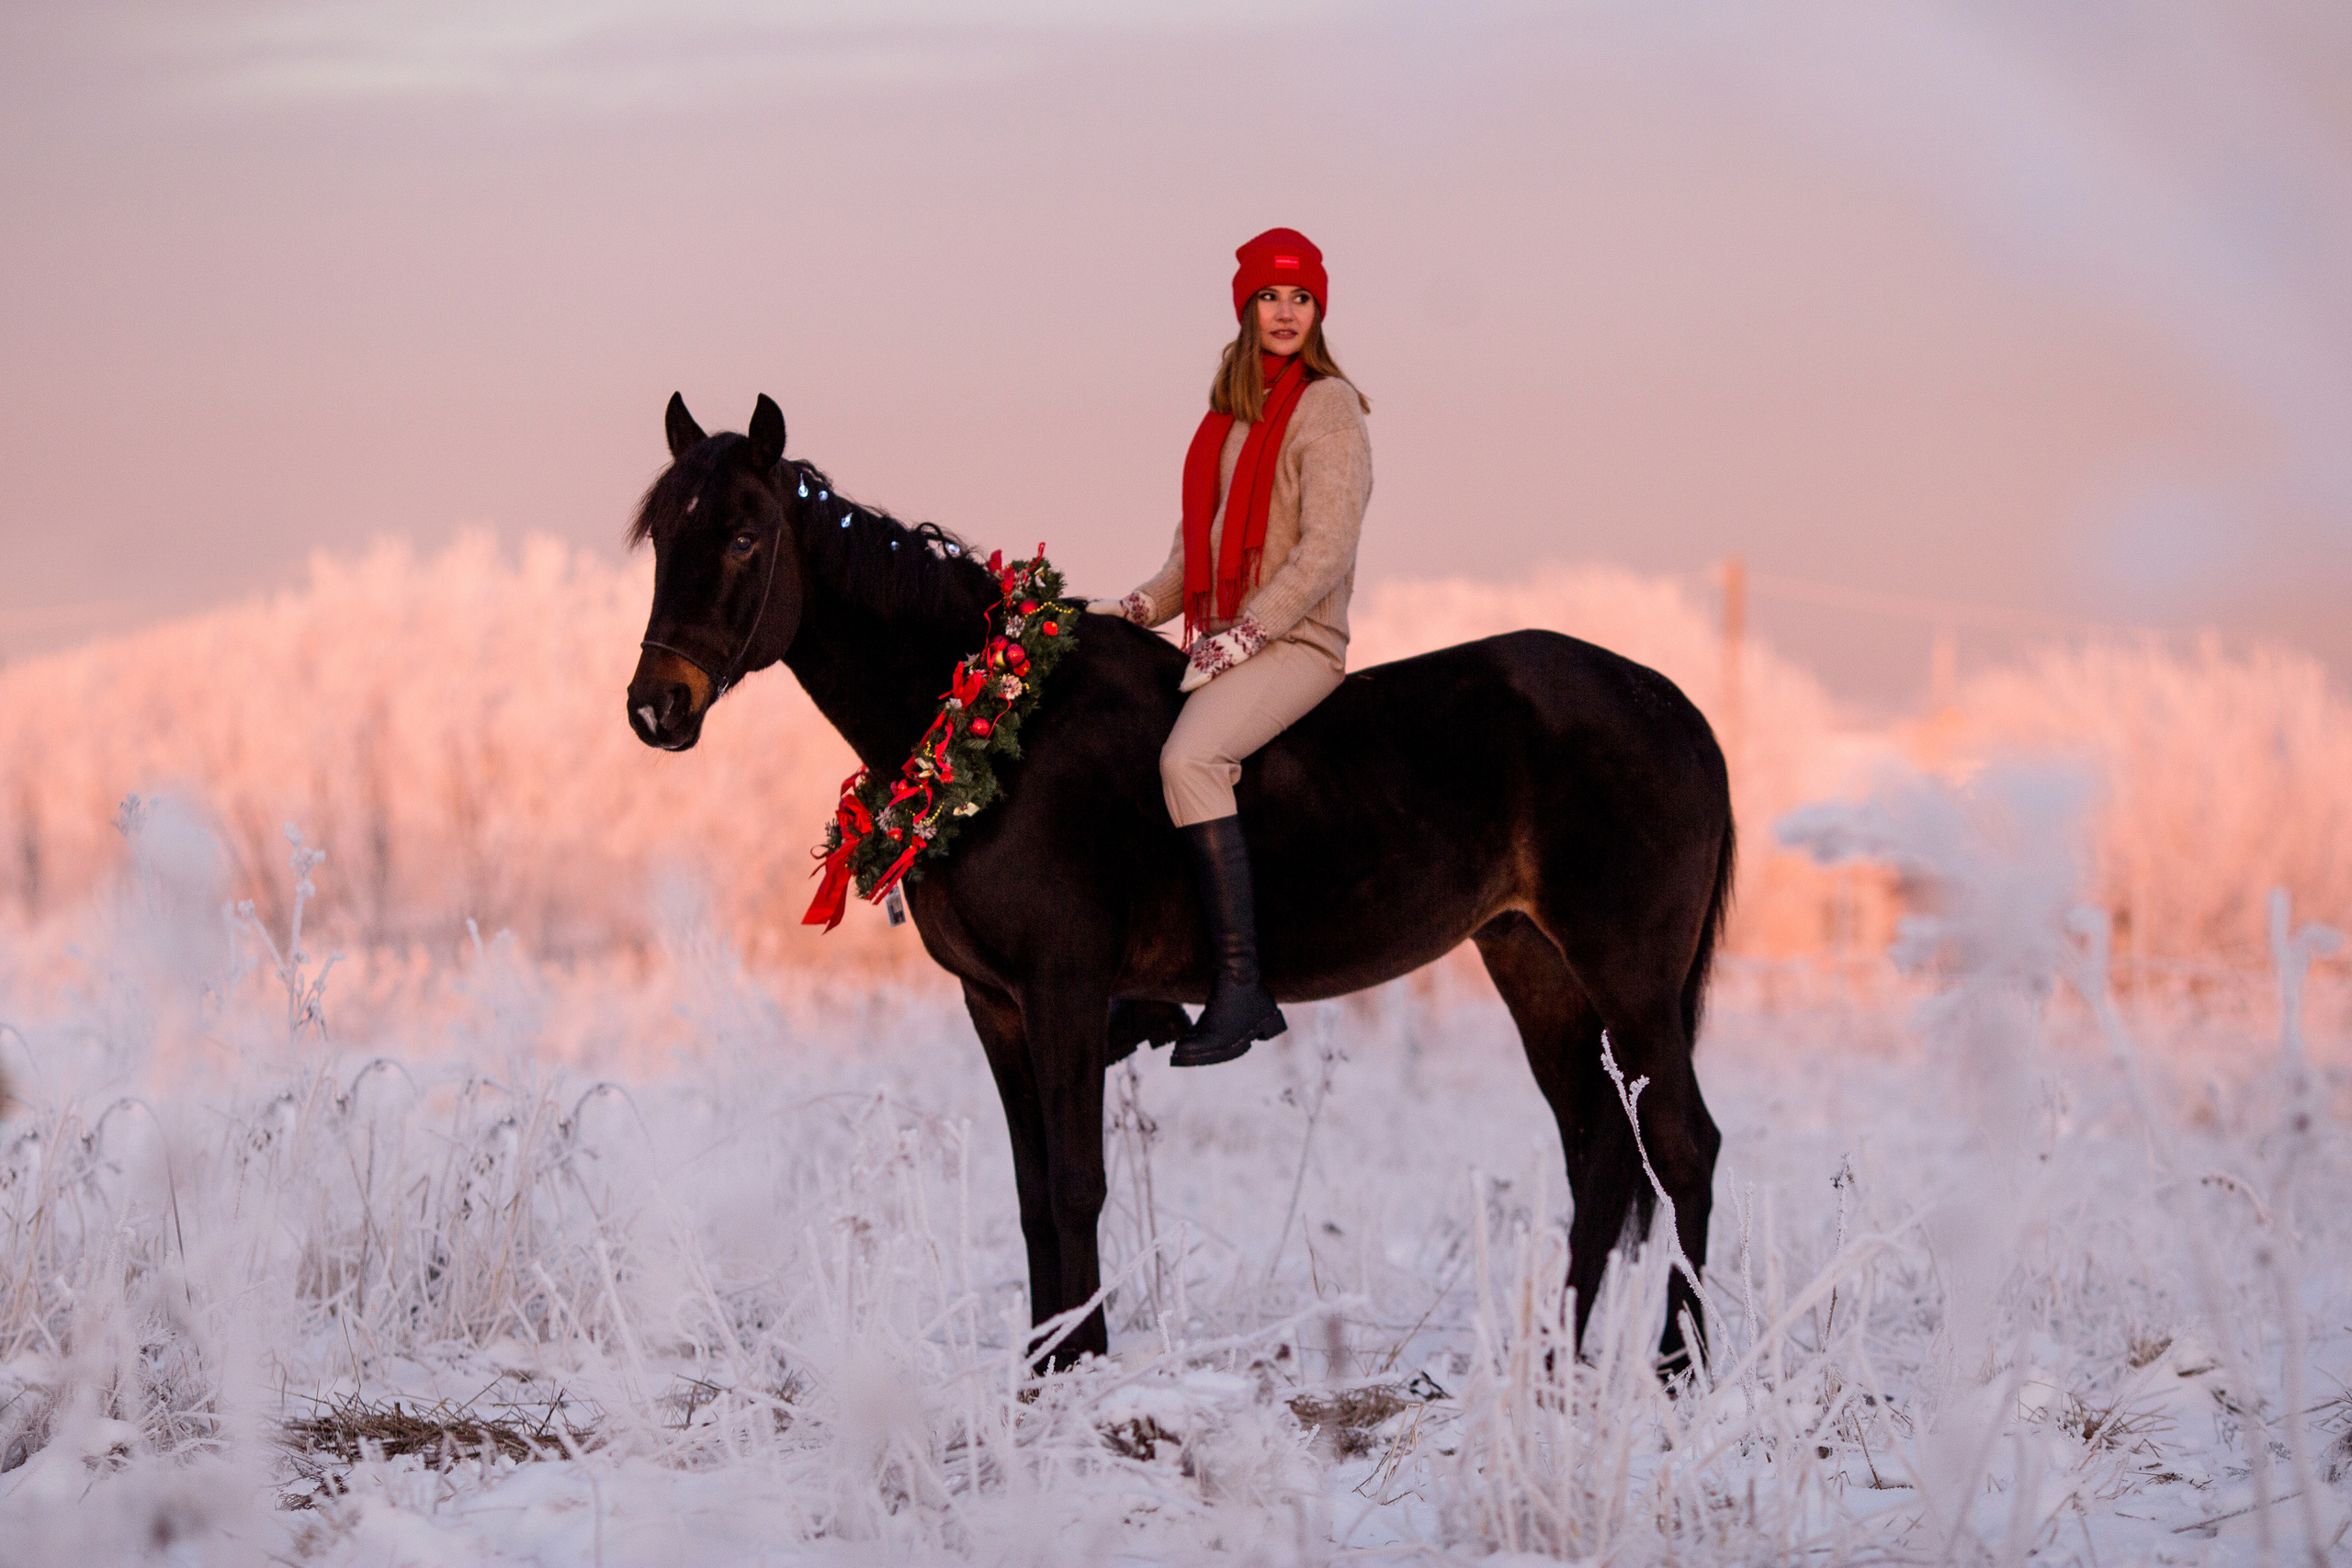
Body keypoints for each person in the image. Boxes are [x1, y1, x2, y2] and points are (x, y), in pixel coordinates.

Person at [1090, 227, 1374, 1067]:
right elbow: (1195, 560)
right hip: (1224, 639)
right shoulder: (1228, 417)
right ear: (1246, 308)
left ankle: (1244, 986)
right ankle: (1144, 992)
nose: (1285, 312)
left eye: (1300, 298)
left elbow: (1325, 550)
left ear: (1318, 311)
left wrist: (1249, 630)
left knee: (1189, 763)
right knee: (1127, 744)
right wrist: (1130, 608)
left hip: (1297, 640)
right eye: (1269, 297)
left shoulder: (1330, 409)